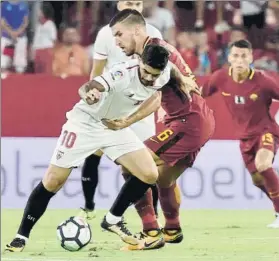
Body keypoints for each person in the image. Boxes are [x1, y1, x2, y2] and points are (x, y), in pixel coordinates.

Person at [5, 44, 171, 252]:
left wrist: (129, 121)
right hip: (84, 124)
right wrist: (88, 94)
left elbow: (156, 99)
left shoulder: (162, 75)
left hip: (113, 126)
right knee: (53, 181)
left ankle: (112, 219)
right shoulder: (122, 73)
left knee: (149, 173)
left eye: (153, 75)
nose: (149, 78)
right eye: (146, 72)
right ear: (139, 62)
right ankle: (21, 237)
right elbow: (87, 86)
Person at [99, 9, 215, 250]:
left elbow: (154, 97)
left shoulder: (155, 55)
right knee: (164, 179)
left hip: (188, 122)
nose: (116, 42)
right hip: (195, 118)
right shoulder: (158, 50)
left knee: (133, 165)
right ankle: (172, 229)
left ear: (137, 31)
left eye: (119, 34)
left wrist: (127, 121)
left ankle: (149, 231)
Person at [80, 0, 162, 221]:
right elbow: (96, 72)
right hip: (112, 102)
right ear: (119, 5)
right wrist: (93, 99)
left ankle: (152, 219)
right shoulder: (106, 35)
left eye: (138, 3)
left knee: (148, 163)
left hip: (140, 104)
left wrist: (161, 105)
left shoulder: (153, 34)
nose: (134, 7)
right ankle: (88, 206)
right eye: (129, 2)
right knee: (93, 152)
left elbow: (160, 72)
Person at [202, 39, 279, 229]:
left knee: (263, 164)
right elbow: (199, 93)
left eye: (244, 56)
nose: (239, 60)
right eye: (235, 56)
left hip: (266, 132)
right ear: (229, 58)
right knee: (257, 180)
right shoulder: (220, 78)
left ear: (251, 57)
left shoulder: (263, 81)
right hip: (244, 138)